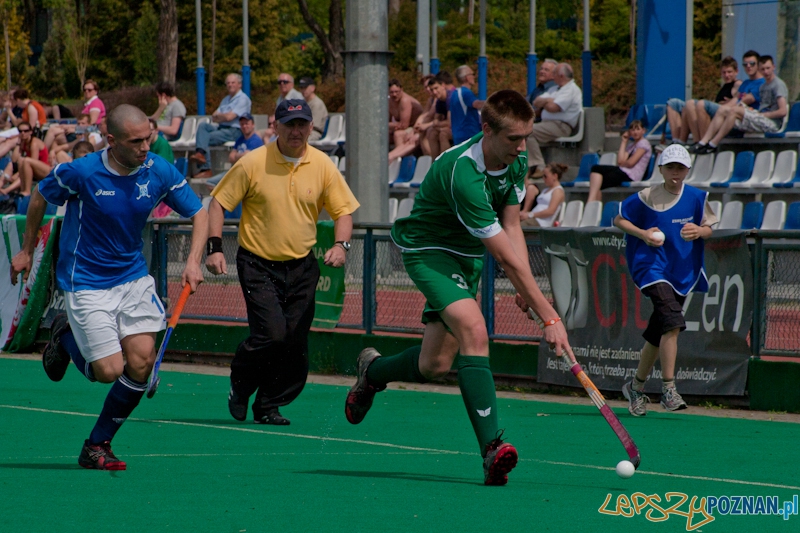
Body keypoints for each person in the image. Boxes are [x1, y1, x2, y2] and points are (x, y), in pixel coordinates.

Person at [344, 90, 575, 486]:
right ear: (486, 129)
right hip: (430, 252)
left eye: (526, 137)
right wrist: (549, 315)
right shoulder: (463, 172)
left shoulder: (515, 161)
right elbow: (503, 257)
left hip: (467, 257)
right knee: (475, 328)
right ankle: (491, 450)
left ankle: (373, 372)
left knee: (434, 365)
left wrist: (527, 287)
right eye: (513, 139)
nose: (523, 148)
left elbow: (513, 226)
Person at [9, 104, 208, 470]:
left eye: (148, 138)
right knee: (108, 371)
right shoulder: (82, 172)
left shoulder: (156, 169)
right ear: (111, 140)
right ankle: (63, 334)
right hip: (85, 281)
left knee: (141, 361)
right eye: (136, 142)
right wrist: (25, 249)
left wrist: (194, 259)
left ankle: (97, 445)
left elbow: (199, 213)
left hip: (132, 277)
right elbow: (40, 195)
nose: (145, 147)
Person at [206, 99, 359, 426]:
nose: (296, 130)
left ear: (310, 127)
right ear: (275, 126)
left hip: (302, 267)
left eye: (302, 124)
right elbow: (218, 203)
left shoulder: (322, 164)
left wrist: (341, 245)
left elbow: (343, 210)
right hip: (257, 263)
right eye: (289, 124)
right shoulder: (253, 162)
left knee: (294, 343)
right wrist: (215, 248)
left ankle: (269, 404)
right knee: (272, 334)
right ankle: (241, 384)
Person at [614, 144, 717, 417]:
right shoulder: (647, 196)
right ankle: (669, 390)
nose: (675, 172)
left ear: (687, 170)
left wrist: (700, 230)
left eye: (680, 168)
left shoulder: (696, 197)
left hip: (682, 270)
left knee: (658, 331)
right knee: (672, 321)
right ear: (660, 169)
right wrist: (643, 234)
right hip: (651, 267)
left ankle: (636, 387)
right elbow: (619, 219)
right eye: (670, 167)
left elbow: (709, 226)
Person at [691, 55, 787, 154]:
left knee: (734, 110)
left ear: (773, 67)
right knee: (723, 110)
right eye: (763, 69)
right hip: (759, 118)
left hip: (772, 123)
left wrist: (764, 115)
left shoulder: (778, 84)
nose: (765, 72)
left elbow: (783, 111)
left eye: (768, 68)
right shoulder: (763, 86)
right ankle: (703, 142)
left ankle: (713, 144)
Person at [665, 56, 741, 145]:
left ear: (736, 72)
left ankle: (699, 142)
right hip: (715, 114)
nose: (726, 75)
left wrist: (728, 103)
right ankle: (677, 141)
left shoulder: (738, 84)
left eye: (729, 72)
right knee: (673, 103)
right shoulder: (724, 86)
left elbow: (738, 100)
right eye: (724, 72)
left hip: (723, 116)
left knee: (691, 103)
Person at [190, 73, 252, 179]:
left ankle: (206, 169)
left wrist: (222, 116)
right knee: (203, 126)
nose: (230, 85)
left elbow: (230, 117)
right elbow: (213, 116)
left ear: (239, 84)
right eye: (228, 83)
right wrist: (224, 116)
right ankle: (200, 154)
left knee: (206, 138)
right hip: (221, 128)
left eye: (233, 82)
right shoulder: (225, 100)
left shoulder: (243, 99)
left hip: (234, 130)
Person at [526, 63, 583, 178]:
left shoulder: (571, 90)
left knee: (527, 131)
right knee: (521, 130)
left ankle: (539, 165)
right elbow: (536, 102)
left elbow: (554, 108)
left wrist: (546, 103)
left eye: (554, 73)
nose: (552, 76)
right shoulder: (554, 89)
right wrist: (549, 100)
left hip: (561, 126)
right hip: (547, 124)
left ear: (561, 75)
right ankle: (530, 166)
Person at [587, 120, 652, 202]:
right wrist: (624, 141)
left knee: (598, 179)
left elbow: (631, 163)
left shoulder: (644, 143)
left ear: (643, 130)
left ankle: (590, 202)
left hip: (632, 175)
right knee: (596, 172)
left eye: (638, 129)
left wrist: (623, 163)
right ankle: (592, 203)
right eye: (632, 130)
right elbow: (620, 160)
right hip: (624, 171)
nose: (635, 132)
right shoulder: (631, 145)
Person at [205, 113, 265, 192]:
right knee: (210, 183)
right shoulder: (240, 139)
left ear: (253, 125)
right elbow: (231, 157)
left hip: (249, 173)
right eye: (242, 124)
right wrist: (240, 155)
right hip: (236, 171)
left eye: (246, 124)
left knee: (214, 184)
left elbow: (246, 157)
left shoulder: (256, 140)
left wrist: (236, 155)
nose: (244, 126)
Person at [42, 80, 106, 152]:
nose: (86, 92)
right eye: (84, 90)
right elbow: (82, 122)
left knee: (53, 131)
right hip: (82, 130)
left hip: (89, 132)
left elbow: (91, 125)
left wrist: (74, 129)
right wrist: (68, 126)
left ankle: (43, 154)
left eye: (89, 90)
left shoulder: (95, 103)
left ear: (96, 91)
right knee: (57, 138)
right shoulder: (89, 104)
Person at [519, 162, 567, 227]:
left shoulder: (558, 191)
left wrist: (530, 214)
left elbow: (551, 211)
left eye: (545, 176)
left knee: (514, 228)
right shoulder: (545, 190)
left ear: (555, 176)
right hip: (533, 219)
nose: (543, 179)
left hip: (540, 222)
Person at [11, 121, 50, 196]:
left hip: (45, 170)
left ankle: (27, 191)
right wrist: (18, 143)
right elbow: (14, 160)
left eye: (25, 131)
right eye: (20, 131)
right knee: (21, 160)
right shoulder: (23, 142)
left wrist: (17, 174)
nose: (23, 133)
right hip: (34, 169)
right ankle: (22, 190)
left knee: (26, 160)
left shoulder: (34, 143)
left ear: (31, 132)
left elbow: (33, 161)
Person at [448, 65, 484, 145]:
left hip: (458, 135)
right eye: (472, 74)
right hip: (469, 135)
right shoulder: (466, 92)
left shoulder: (454, 94)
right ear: (467, 77)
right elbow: (476, 104)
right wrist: (493, 102)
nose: (474, 76)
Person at [388, 79, 424, 150]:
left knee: (398, 134)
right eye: (391, 92)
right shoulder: (389, 101)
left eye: (396, 92)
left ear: (401, 90)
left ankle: (399, 158)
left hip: (415, 127)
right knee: (382, 134)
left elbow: (404, 125)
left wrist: (388, 125)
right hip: (404, 128)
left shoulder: (405, 100)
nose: (394, 95)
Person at [297, 77, 328, 142]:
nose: (303, 90)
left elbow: (313, 125)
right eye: (301, 88)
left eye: (305, 88)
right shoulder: (302, 103)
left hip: (315, 133)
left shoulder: (317, 104)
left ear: (313, 88)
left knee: (297, 142)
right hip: (303, 131)